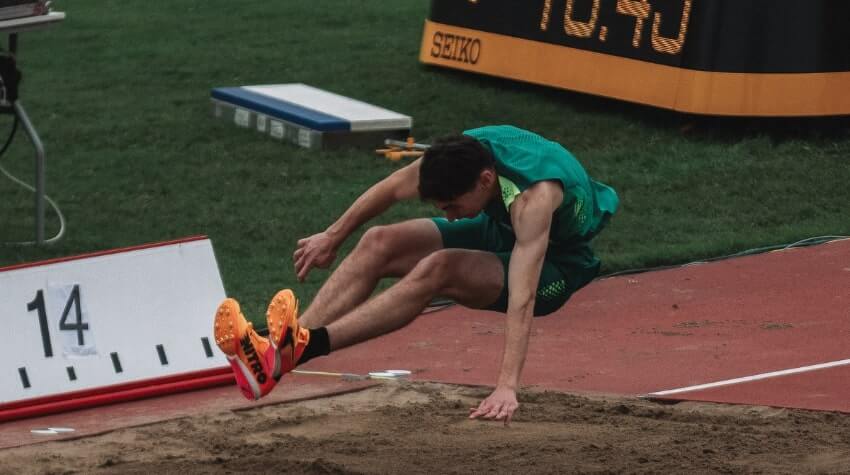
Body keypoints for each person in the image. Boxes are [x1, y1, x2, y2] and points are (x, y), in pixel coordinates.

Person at [213, 125, 619, 425]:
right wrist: (332, 236)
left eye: (451, 205)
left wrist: (506, 385)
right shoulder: (464, 152)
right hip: (500, 226)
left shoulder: (535, 198)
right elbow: (391, 188)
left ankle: (299, 350)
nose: (447, 215)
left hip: (556, 264)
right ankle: (278, 353)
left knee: (438, 268)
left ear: (485, 180)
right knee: (379, 241)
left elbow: (523, 297)